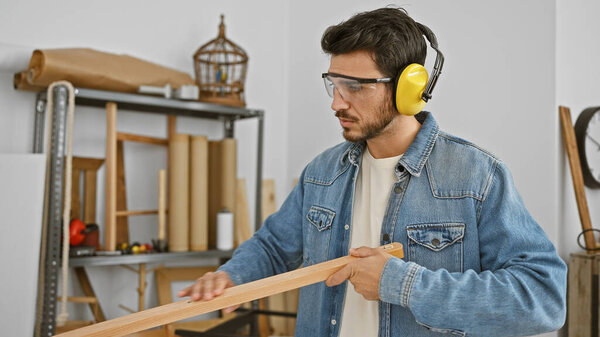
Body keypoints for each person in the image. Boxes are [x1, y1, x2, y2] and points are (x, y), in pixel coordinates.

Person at [178, 7, 566, 336]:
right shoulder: (322, 172)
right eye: (333, 84)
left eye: (355, 87)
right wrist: (232, 275)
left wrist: (403, 284)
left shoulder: (475, 177)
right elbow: (274, 247)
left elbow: (543, 296)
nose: (336, 103)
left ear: (407, 88)